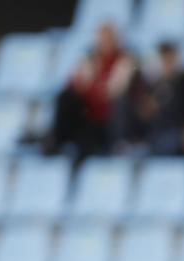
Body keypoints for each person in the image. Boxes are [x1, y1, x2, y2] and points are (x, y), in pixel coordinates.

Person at [46, 23, 135, 159]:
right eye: (101, 40)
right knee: (65, 98)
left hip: (107, 120)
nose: (104, 44)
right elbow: (74, 84)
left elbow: (112, 92)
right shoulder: (89, 58)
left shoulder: (124, 60)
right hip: (86, 115)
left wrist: (90, 85)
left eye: (108, 39)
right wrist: (91, 86)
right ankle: (57, 141)